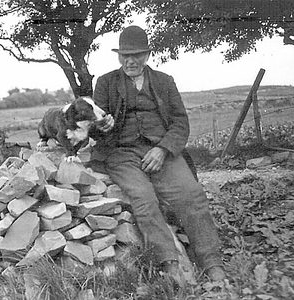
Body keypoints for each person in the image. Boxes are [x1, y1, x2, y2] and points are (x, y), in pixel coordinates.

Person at [90, 25, 226, 283]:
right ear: (118, 56)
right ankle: (170, 264)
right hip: (122, 154)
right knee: (144, 198)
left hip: (162, 152)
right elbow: (98, 128)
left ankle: (212, 263)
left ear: (148, 54)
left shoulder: (164, 81)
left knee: (192, 195)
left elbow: (180, 122)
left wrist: (163, 149)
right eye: (124, 55)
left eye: (137, 55)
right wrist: (102, 126)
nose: (130, 61)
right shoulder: (105, 83)